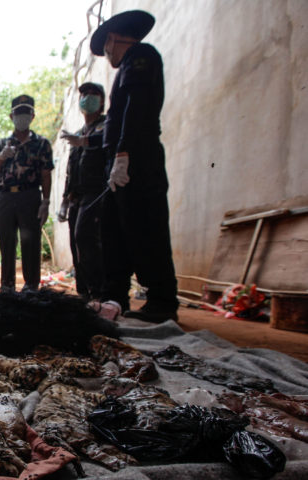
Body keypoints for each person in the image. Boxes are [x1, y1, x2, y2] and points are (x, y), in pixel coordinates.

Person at [90, 10, 179, 322]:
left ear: (114, 38)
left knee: (146, 228)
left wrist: (124, 152)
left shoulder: (142, 55)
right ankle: (114, 297)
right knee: (115, 231)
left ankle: (163, 300)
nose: (107, 55)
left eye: (106, 50)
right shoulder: (127, 65)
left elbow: (137, 107)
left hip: (137, 159)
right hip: (119, 162)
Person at [0, 95, 53, 292]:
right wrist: (1, 157)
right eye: (18, 113)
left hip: (30, 196)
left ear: (32, 116)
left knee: (30, 242)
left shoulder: (42, 144)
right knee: (7, 243)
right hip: (5, 197)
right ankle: (7, 287)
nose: (22, 117)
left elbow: (46, 175)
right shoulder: (1, 144)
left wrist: (46, 202)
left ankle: (31, 287)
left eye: (26, 113)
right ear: (11, 116)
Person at [59, 82, 107, 300]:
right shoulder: (78, 133)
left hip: (97, 192)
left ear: (102, 101)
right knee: (76, 243)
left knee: (86, 238)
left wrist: (85, 141)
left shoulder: (106, 125)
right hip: (77, 196)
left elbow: (108, 144)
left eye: (93, 94)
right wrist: (64, 199)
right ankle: (83, 292)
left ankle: (98, 291)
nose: (87, 97)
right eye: (84, 94)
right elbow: (71, 168)